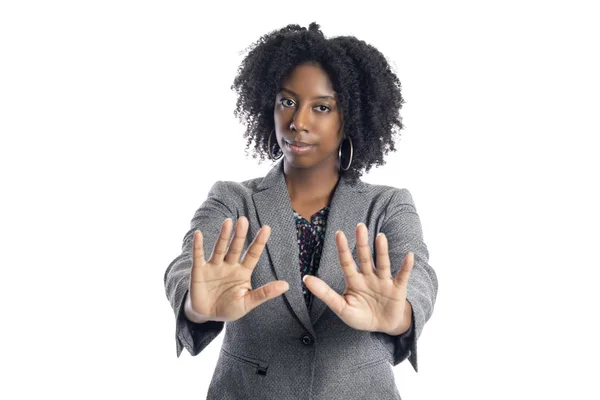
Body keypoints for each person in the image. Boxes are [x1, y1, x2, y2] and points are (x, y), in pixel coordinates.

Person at [163, 22, 438, 400]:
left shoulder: (387, 205)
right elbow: (186, 266)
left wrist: (402, 312)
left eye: (321, 107)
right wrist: (196, 305)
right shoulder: (233, 198)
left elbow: (418, 273)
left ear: (350, 120)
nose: (298, 122)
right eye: (287, 101)